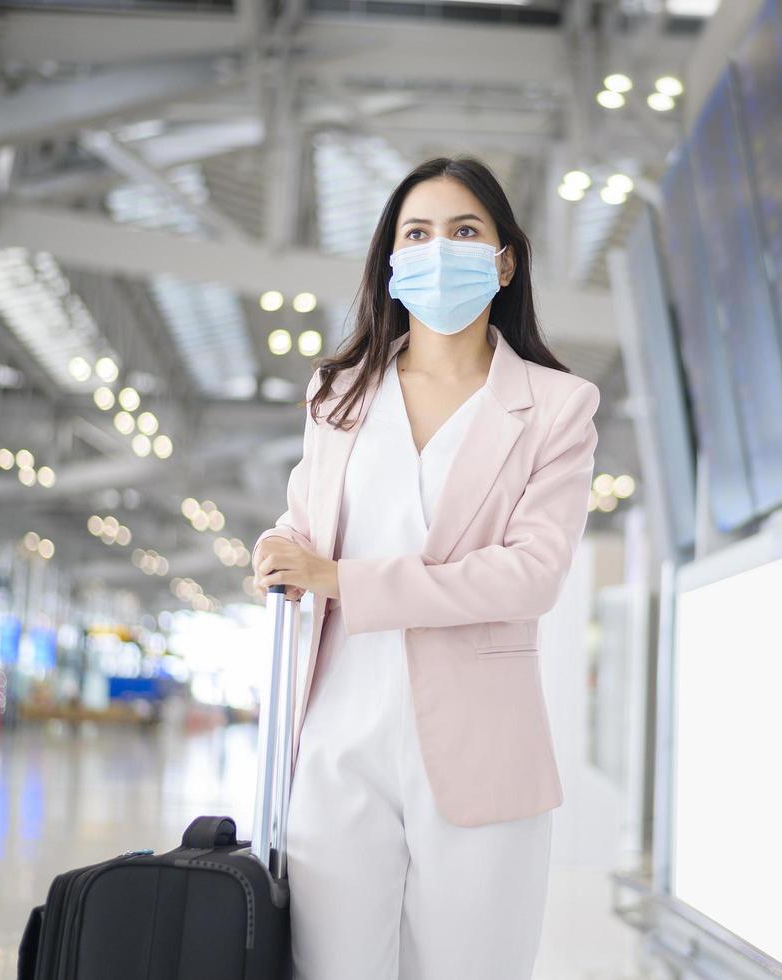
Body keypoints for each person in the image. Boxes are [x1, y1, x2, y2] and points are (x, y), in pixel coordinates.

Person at [252, 156, 600, 979]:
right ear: (392, 260)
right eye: (418, 233)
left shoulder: (555, 405)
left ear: (504, 260)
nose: (439, 249)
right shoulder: (337, 395)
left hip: (479, 748)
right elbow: (306, 526)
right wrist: (278, 550)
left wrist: (342, 579)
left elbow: (529, 576)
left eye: (464, 231)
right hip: (338, 731)